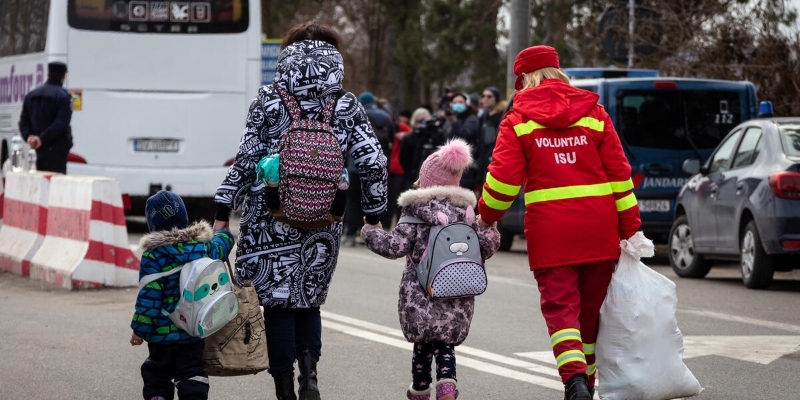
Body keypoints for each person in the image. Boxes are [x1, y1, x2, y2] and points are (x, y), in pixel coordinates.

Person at [212, 21, 388, 400]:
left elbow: (245, 159)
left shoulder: (268, 100)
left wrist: (222, 209)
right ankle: (309, 378)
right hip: (325, 216)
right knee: (309, 300)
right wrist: (374, 213)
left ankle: (283, 389)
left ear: (287, 54)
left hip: (268, 216)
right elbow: (373, 161)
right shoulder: (346, 104)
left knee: (276, 304)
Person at [476, 45, 642, 400]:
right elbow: (620, 176)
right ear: (557, 71)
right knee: (589, 314)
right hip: (599, 230)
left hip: (551, 233)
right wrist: (631, 229)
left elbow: (503, 183)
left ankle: (575, 382)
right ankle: (588, 382)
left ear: (522, 78)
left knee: (561, 309)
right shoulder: (594, 113)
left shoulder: (518, 120)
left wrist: (485, 218)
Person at [361, 139, 500, 400]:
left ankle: (420, 389)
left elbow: (394, 246)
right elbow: (487, 247)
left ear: (426, 181)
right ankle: (447, 383)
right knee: (445, 343)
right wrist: (488, 226)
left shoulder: (416, 212)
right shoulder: (468, 214)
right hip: (457, 293)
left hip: (420, 294)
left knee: (422, 345)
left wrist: (371, 232)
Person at [130, 190, 235, 400]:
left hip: (161, 335)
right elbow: (221, 247)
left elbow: (149, 298)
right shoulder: (202, 246)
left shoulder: (154, 255)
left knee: (156, 373)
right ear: (184, 217)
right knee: (192, 371)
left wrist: (139, 329)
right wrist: (224, 234)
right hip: (193, 329)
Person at [18, 61, 73, 174]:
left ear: (48, 74)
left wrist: (30, 137)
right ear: (63, 76)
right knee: (55, 183)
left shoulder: (32, 95)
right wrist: (42, 138)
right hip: (56, 150)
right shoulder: (63, 96)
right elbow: (61, 123)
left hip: (36, 149)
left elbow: (23, 121)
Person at [400, 107, 446, 185]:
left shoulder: (437, 135)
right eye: (420, 121)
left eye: (426, 121)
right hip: (414, 176)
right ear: (414, 122)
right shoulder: (409, 138)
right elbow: (404, 158)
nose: (424, 124)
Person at [446, 92, 481, 193]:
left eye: (460, 102)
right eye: (455, 102)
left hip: (466, 168)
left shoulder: (472, 119)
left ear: (466, 104)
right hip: (450, 167)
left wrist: (455, 122)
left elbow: (465, 135)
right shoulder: (449, 120)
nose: (458, 104)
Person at [476, 86, 507, 188]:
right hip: (484, 158)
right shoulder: (484, 117)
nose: (485, 98)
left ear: (496, 99)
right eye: (483, 96)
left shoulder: (501, 116)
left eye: (489, 96)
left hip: (494, 159)